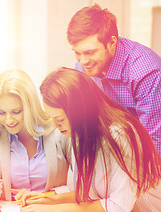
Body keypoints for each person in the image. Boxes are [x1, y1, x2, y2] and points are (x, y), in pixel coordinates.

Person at [13, 67, 161, 212]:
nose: (55, 126)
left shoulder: (120, 134)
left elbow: (118, 207)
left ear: (79, 111)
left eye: (60, 119)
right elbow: (89, 193)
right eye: (51, 118)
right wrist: (48, 199)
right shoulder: (79, 133)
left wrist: (55, 211)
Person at [66, 4, 161, 156]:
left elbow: (155, 144)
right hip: (112, 154)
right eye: (77, 53)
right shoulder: (84, 64)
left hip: (146, 158)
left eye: (90, 52)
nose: (83, 61)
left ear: (112, 43)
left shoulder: (146, 73)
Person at [0, 69, 72, 212]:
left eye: (16, 111)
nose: (8, 120)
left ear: (30, 106)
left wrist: (48, 197)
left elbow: (82, 185)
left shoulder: (59, 129)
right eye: (1, 112)